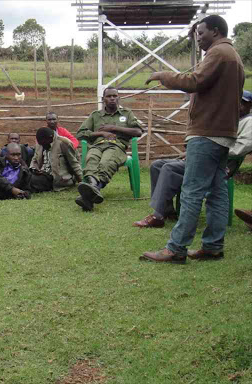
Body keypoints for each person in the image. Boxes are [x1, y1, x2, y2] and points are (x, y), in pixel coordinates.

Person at [141, 15, 244, 263]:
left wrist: (163, 75)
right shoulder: (233, 56)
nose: (198, 38)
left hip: (207, 132)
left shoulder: (219, 54)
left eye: (201, 32)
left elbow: (195, 81)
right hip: (224, 133)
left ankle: (176, 248)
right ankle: (212, 246)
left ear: (216, 32)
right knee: (218, 193)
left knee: (192, 191)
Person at [134, 90, 252, 229]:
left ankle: (157, 216)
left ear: (250, 105)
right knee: (157, 165)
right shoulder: (229, 120)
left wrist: (204, 151)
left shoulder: (249, 121)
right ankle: (167, 211)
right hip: (202, 160)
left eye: (243, 103)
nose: (238, 106)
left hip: (219, 165)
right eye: (236, 102)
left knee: (169, 168)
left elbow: (241, 147)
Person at [75, 86, 142, 211]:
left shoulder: (127, 114)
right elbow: (81, 133)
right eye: (109, 96)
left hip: (116, 146)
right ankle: (93, 190)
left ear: (118, 98)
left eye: (114, 96)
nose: (112, 98)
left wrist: (113, 128)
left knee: (106, 162)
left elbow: (138, 132)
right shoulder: (96, 116)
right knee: (91, 159)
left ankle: (90, 193)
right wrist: (101, 133)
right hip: (97, 145)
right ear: (103, 99)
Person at [29, 127, 83, 193]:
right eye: (41, 144)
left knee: (32, 180)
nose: (43, 146)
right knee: (25, 176)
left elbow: (74, 163)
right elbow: (34, 159)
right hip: (42, 174)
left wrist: (82, 181)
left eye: (44, 143)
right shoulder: (40, 143)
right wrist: (35, 168)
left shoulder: (63, 143)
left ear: (51, 138)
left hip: (57, 178)